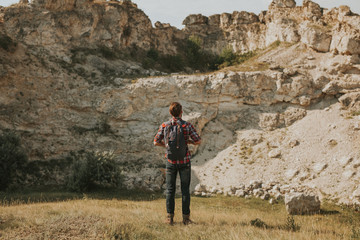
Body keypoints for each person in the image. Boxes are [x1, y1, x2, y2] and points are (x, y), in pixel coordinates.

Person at [154, 102, 201, 225]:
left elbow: (155, 141)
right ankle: (186, 219)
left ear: (170, 113)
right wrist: (188, 142)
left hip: (170, 161)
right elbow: (198, 141)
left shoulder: (165, 125)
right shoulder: (187, 125)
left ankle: (169, 218)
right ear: (181, 112)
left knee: (170, 190)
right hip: (184, 161)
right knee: (185, 190)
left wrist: (166, 145)